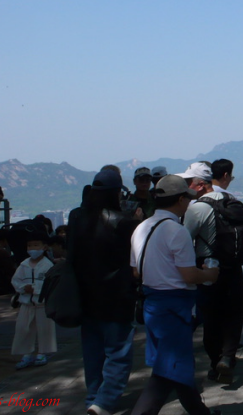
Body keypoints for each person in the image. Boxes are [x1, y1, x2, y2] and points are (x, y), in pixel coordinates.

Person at [129, 175, 219, 415]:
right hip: (174, 306)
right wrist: (210, 274)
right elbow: (189, 275)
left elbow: (136, 271)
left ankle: (200, 411)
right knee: (169, 369)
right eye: (187, 199)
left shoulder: (141, 227)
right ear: (180, 199)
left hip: (152, 303)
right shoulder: (177, 231)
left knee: (174, 365)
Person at [69, 169, 141, 415]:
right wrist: (137, 220)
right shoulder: (124, 222)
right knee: (118, 352)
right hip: (116, 296)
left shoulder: (76, 217)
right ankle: (104, 402)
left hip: (85, 295)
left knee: (92, 351)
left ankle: (93, 396)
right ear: (117, 192)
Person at [181, 161, 243, 384]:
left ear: (200, 184)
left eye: (189, 182)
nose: (186, 186)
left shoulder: (197, 208)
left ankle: (215, 363)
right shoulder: (232, 200)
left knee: (211, 317)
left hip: (208, 267)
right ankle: (228, 357)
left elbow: (183, 239)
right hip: (234, 267)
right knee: (234, 314)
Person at [11, 229, 56, 369]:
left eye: (36, 245)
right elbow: (16, 280)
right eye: (30, 246)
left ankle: (43, 352)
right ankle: (26, 354)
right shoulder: (24, 264)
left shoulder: (48, 265)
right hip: (26, 303)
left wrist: (35, 289)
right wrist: (23, 288)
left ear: (44, 247)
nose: (32, 248)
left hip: (42, 304)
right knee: (23, 328)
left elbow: (50, 284)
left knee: (45, 329)